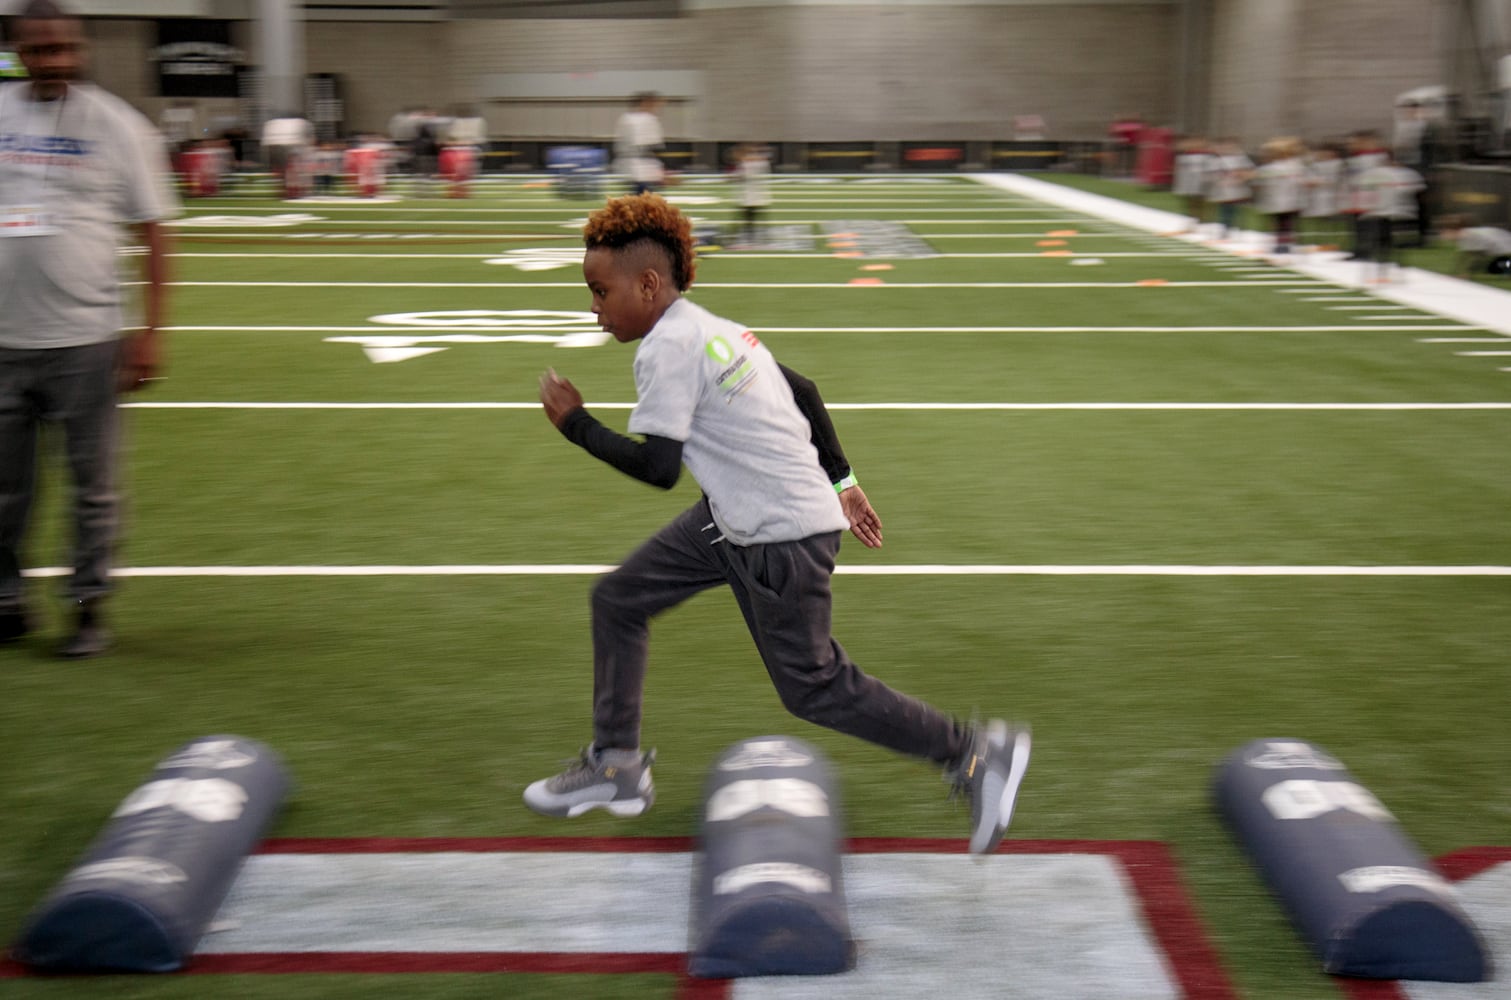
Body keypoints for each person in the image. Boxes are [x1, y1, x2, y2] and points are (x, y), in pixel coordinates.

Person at [528, 194, 1030, 855]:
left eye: (600, 290)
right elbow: (804, 390)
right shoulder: (713, 327)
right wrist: (843, 482)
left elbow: (658, 468)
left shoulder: (667, 348)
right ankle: (616, 765)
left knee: (813, 687)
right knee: (619, 598)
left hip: (777, 533)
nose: (593, 307)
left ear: (647, 284)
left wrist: (575, 425)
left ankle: (974, 754)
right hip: (734, 517)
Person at [0, 0, 177, 657]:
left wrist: (152, 332)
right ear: (18, 52)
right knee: (4, 491)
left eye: (65, 49)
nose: (55, 61)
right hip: (3, 339)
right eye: (40, 50)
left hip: (87, 339)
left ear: (81, 47)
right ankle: (6, 600)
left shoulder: (119, 125)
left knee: (92, 491)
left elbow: (155, 232)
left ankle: (85, 610)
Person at [1355, 149, 1424, 284]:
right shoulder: (1405, 174)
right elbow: (1415, 190)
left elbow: (1365, 190)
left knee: (1385, 243)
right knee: (1388, 243)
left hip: (1387, 212)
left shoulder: (1381, 174)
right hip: (1396, 212)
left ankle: (1388, 271)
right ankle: (1389, 271)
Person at [614, 92, 665, 195]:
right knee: (646, 200)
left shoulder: (625, 118)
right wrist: (664, 169)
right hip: (644, 166)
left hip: (629, 166)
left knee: (635, 199)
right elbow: (652, 146)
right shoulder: (648, 119)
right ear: (645, 103)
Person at [1437, 214, 1511, 277]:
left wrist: (1467, 273)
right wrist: (1455, 272)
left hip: (1506, 248)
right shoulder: (1464, 236)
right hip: (1502, 248)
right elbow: (1464, 257)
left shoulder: (1468, 236)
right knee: (1492, 267)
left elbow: (1478, 257)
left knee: (1494, 268)